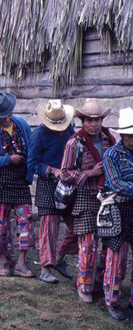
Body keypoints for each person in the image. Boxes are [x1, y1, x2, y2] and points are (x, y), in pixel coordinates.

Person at [60, 98, 115, 303]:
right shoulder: (75, 142)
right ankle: (84, 285)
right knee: (88, 244)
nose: (94, 124)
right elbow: (65, 173)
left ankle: (100, 281)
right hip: (85, 198)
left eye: (97, 120)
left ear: (102, 120)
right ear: (82, 121)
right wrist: (90, 173)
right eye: (89, 120)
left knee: (107, 244)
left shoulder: (109, 139)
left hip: (107, 198)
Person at [0, 92, 35, 278]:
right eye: (3, 116)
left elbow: (32, 146)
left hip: (20, 183)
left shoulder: (22, 124)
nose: (7, 118)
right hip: (1, 184)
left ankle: (21, 263)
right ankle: (3, 261)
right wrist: (8, 159)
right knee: (0, 224)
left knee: (25, 222)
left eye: (9, 114)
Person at [28, 100, 78, 283]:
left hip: (68, 184)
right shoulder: (39, 135)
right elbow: (32, 164)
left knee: (77, 226)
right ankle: (45, 268)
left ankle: (60, 257)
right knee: (49, 227)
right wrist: (51, 170)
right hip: (48, 185)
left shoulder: (69, 130)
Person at [101, 106, 133, 320]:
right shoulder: (112, 154)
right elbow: (115, 183)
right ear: (122, 135)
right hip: (118, 211)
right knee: (116, 258)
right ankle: (112, 301)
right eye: (130, 136)